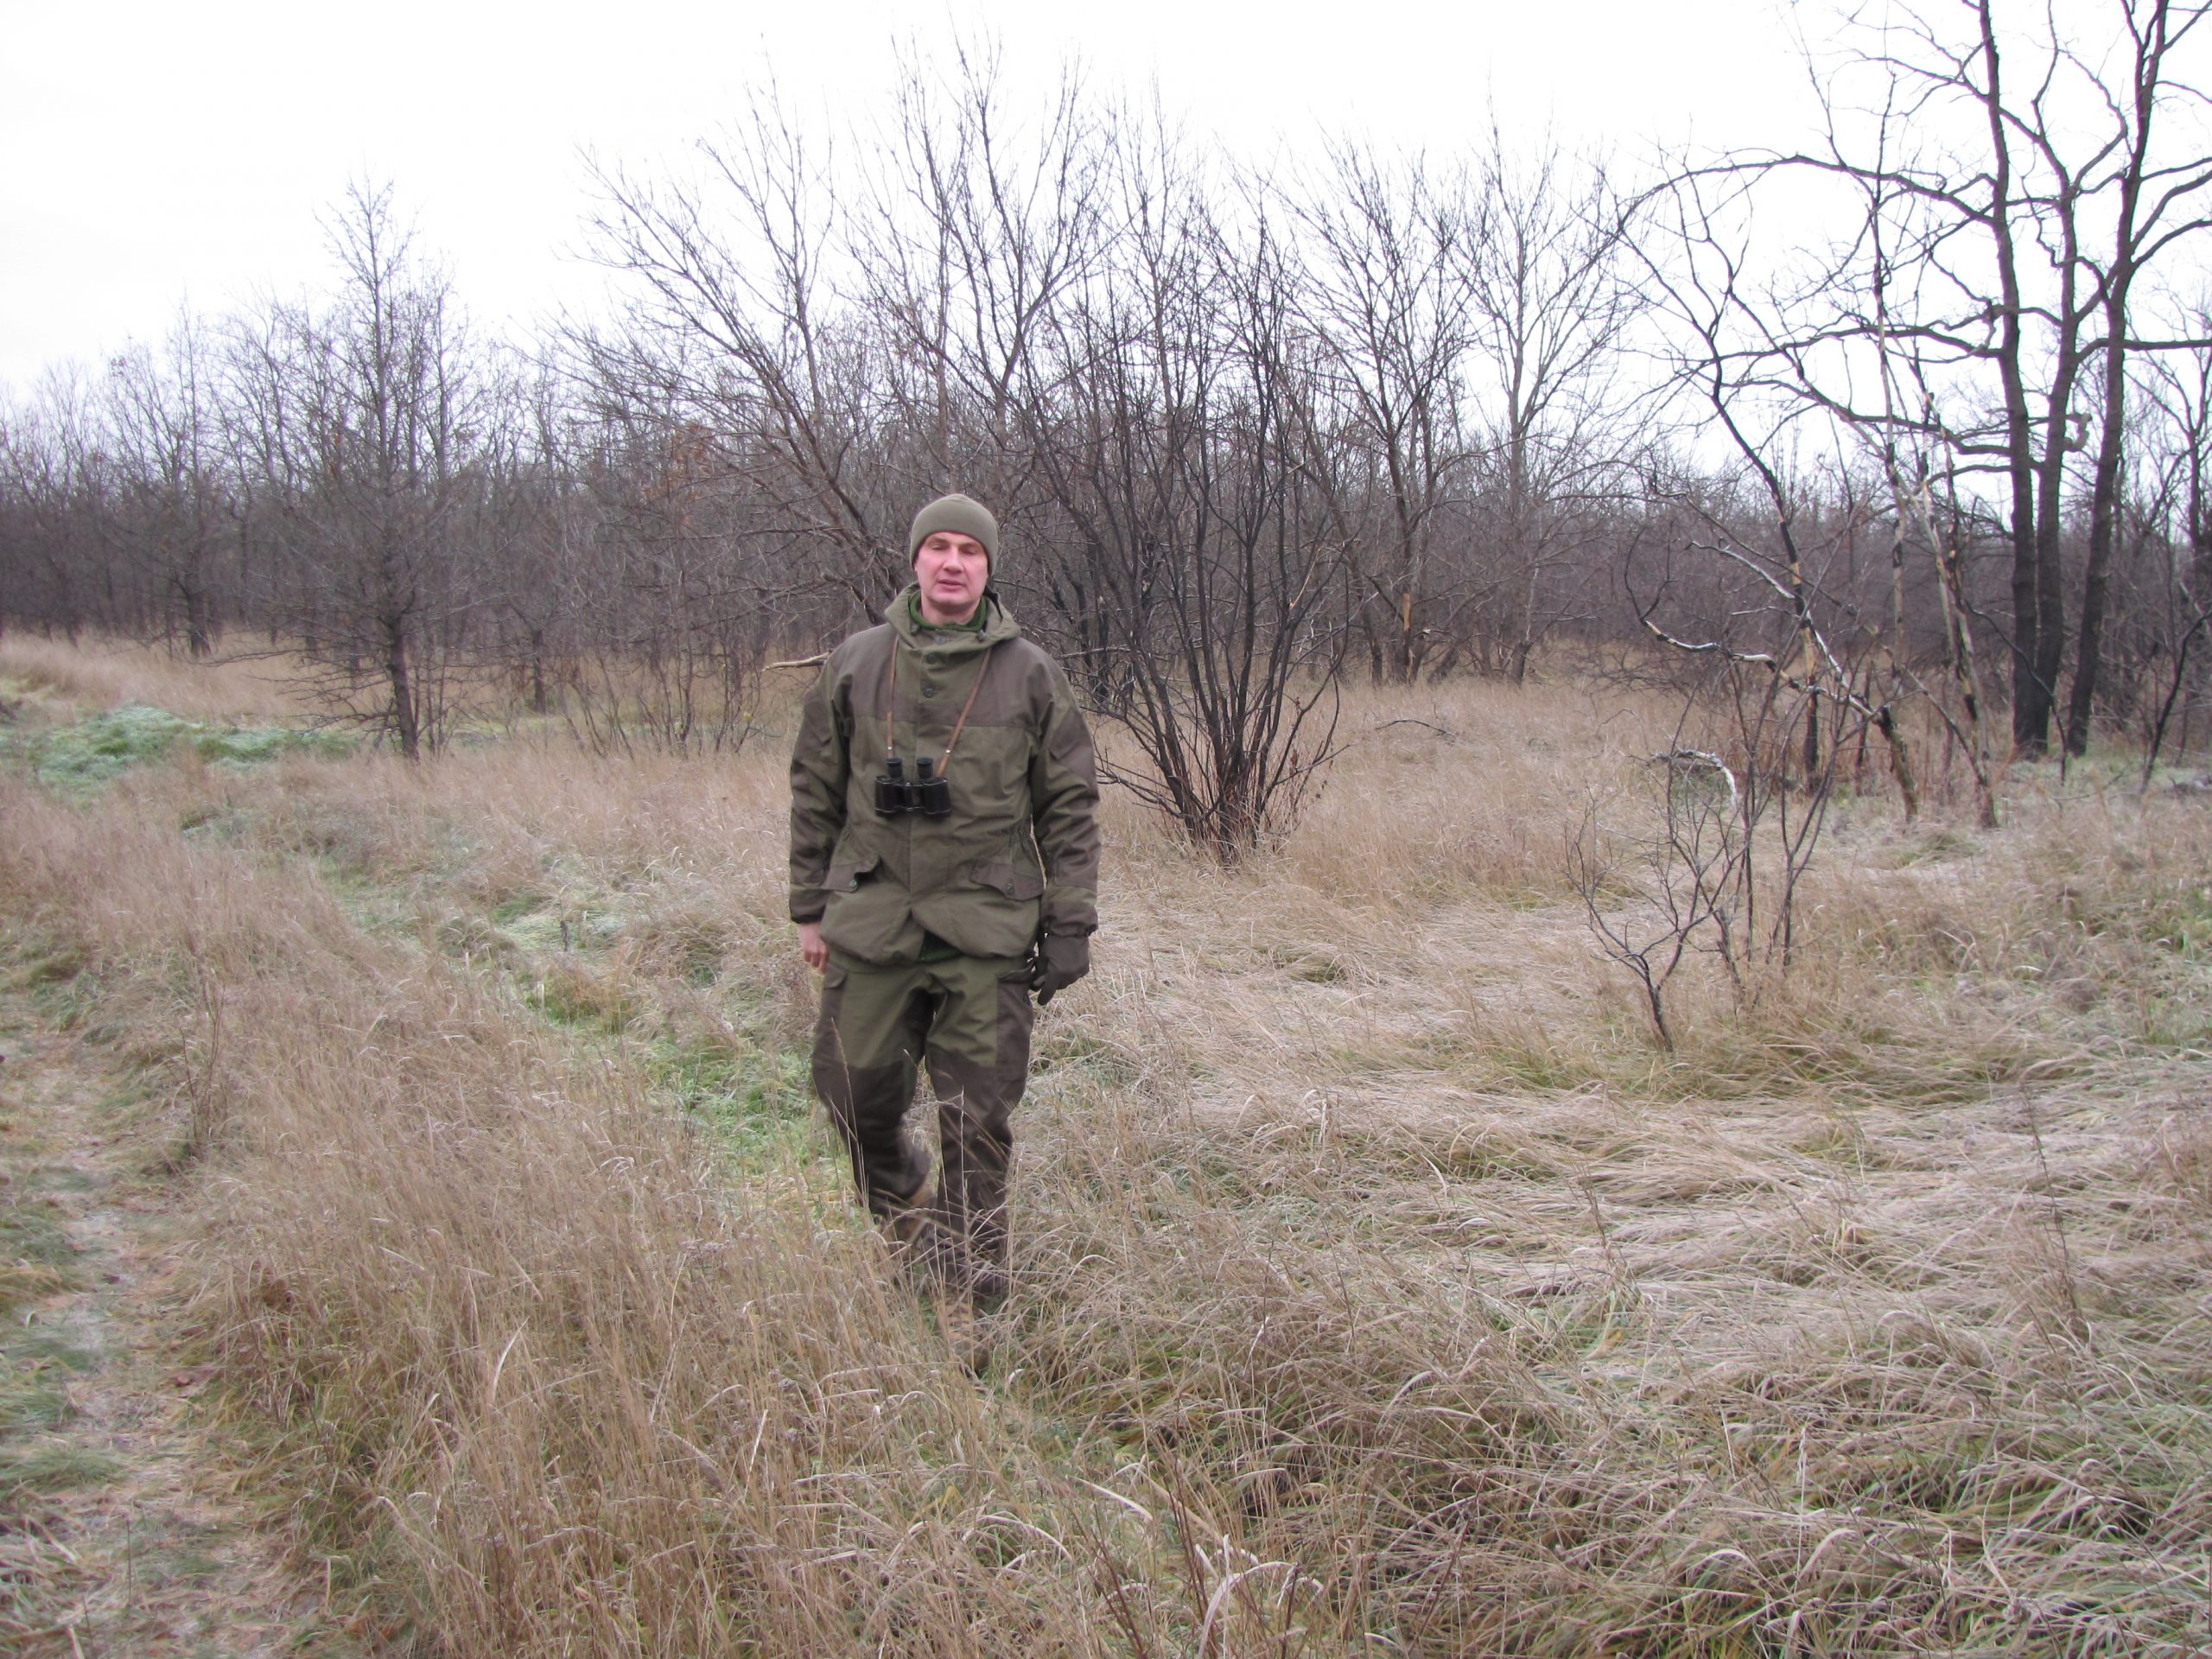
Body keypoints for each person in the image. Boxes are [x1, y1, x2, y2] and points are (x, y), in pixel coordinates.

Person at [789, 493, 1099, 1312]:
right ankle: (908, 1218)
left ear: (989, 568)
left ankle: (974, 1305)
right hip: (873, 922)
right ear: (915, 560)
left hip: (985, 933)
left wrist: (1071, 923)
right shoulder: (856, 663)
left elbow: (1069, 807)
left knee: (978, 1128)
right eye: (939, 548)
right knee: (850, 1098)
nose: (953, 563)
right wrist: (809, 908)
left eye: (970, 550)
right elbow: (815, 791)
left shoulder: (1030, 674)